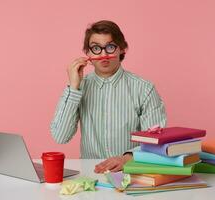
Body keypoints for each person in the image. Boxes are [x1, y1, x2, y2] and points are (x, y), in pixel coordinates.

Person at [50, 20, 166, 173]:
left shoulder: (144, 89)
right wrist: (73, 87)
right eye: (96, 48)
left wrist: (126, 158)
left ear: (122, 49)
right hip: (91, 174)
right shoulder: (79, 87)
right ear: (88, 53)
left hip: (130, 173)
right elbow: (60, 137)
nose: (103, 55)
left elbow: (155, 143)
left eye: (110, 47)